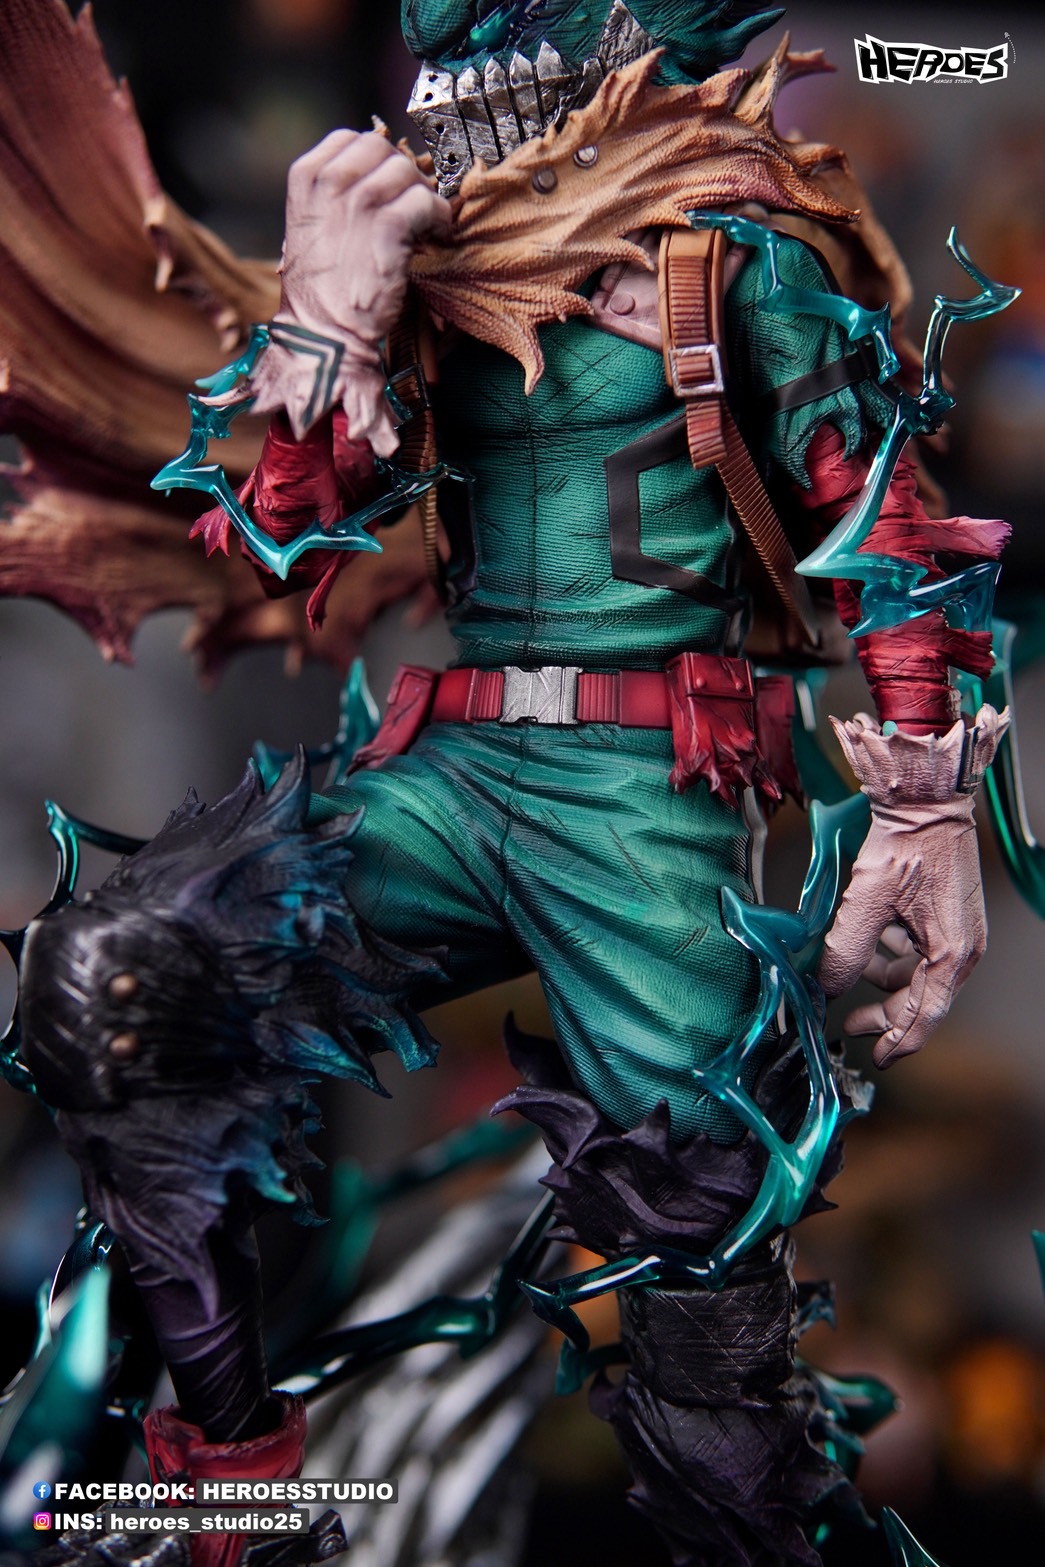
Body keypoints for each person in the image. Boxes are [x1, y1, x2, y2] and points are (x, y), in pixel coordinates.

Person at [19, 5, 1010, 1564]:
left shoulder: (731, 255)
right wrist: (322, 327)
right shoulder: (424, 259)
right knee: (117, 973)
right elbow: (279, 537)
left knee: (700, 1262)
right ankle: (231, 1478)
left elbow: (885, 526)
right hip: (453, 771)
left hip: (643, 798)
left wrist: (926, 809)